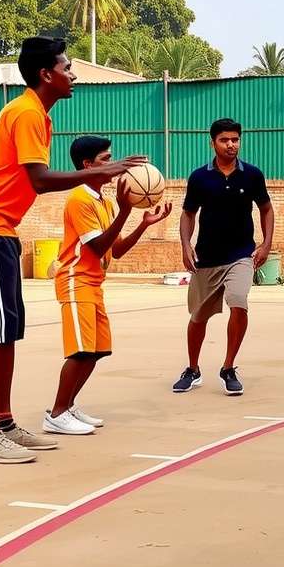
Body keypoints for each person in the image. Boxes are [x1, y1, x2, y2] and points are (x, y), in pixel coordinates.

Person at [0, 37, 144, 464]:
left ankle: (5, 422)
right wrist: (103, 170)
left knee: (8, 331)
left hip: (1, 230)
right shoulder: (26, 111)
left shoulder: (29, 114)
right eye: (68, 67)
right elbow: (40, 181)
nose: (73, 74)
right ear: (46, 74)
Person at [45, 136, 171, 435]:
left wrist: (143, 223)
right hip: (75, 282)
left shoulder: (103, 201)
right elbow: (97, 248)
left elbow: (117, 249)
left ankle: (69, 405)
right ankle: (56, 413)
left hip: (94, 284)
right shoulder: (79, 199)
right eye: (106, 159)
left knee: (96, 351)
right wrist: (125, 211)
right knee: (79, 352)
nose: (115, 165)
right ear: (88, 165)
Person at [173, 118, 275, 396]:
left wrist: (266, 243)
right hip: (207, 257)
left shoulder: (252, 175)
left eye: (235, 139)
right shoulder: (199, 177)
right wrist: (185, 245)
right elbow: (188, 214)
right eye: (225, 140)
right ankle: (192, 370)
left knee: (238, 301)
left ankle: (228, 368)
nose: (231, 145)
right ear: (213, 143)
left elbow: (266, 208)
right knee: (198, 317)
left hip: (241, 254)